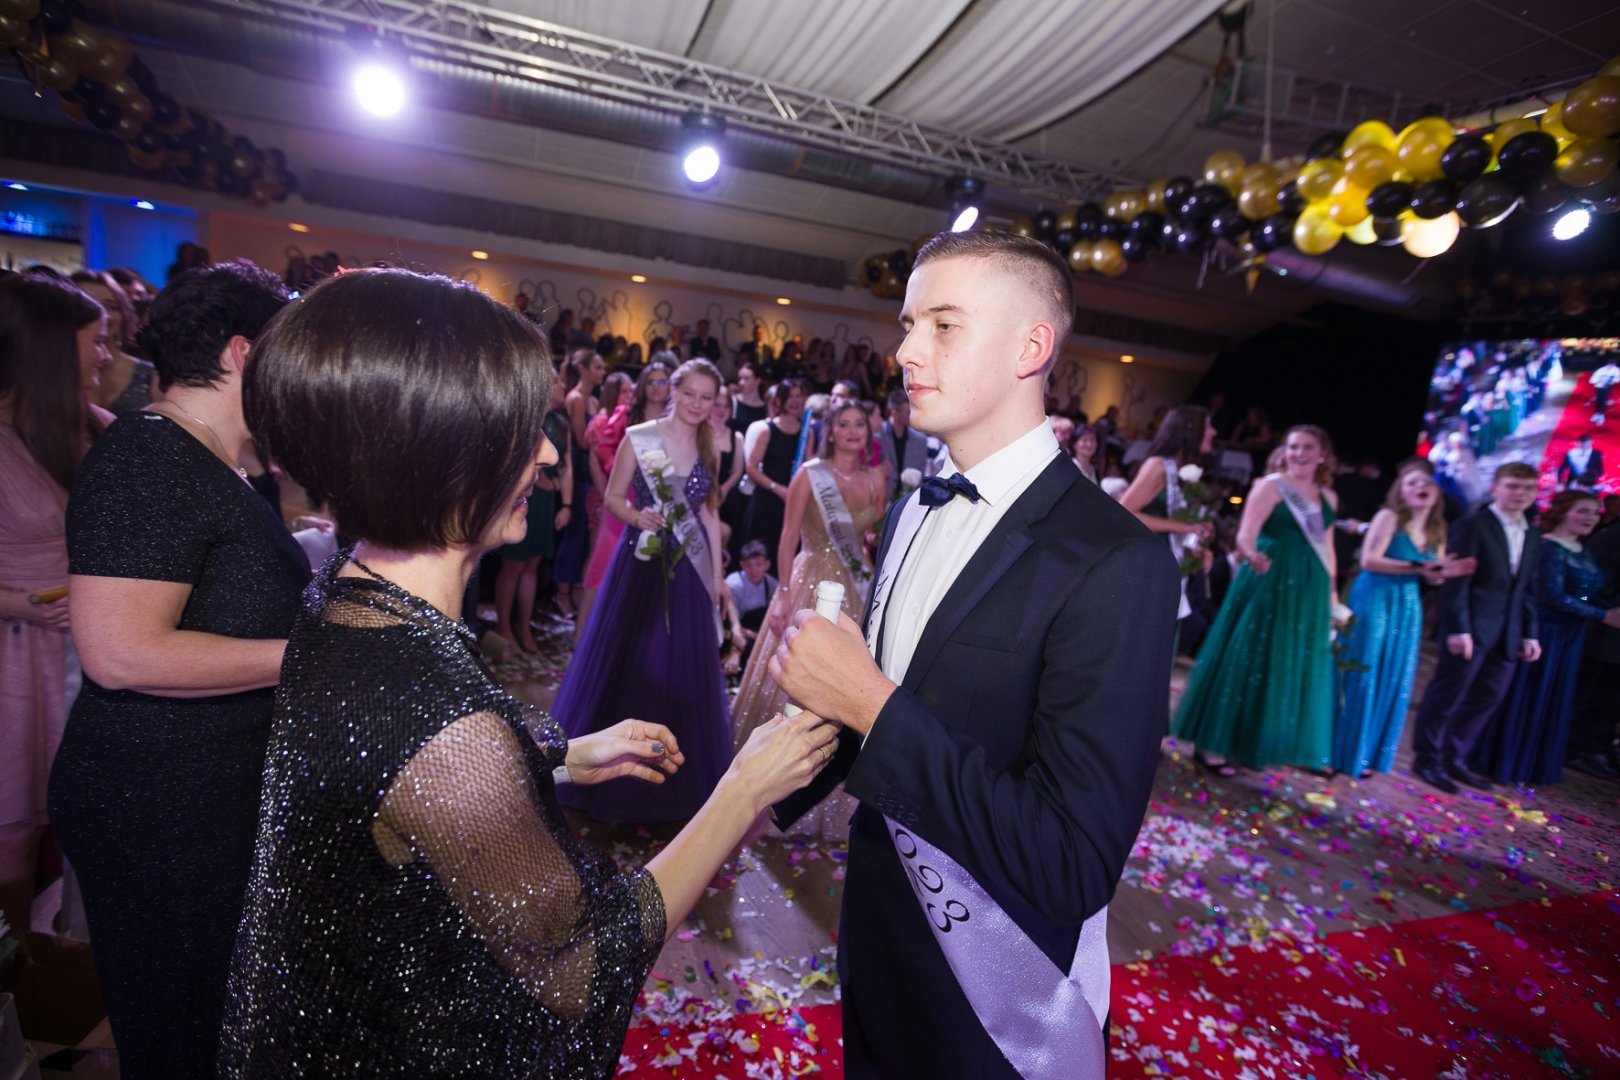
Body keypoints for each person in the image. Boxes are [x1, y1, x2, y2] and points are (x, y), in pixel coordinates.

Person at [222, 267, 837, 1076]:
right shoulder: (442, 727)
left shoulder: (349, 597)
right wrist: (743, 790)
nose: (546, 452)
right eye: (518, 432)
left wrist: (562, 752)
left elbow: (390, 769)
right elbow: (581, 967)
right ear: (436, 454)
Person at [768, 231, 1179, 1079]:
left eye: (944, 325)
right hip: (879, 923)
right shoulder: (915, 508)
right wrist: (790, 753)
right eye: (909, 324)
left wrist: (867, 700)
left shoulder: (1118, 562)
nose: (906, 351)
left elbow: (1072, 861)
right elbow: (912, 695)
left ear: (1032, 348)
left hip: (993, 987)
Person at [48, 262, 308, 1077]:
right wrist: (315, 657)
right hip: (158, 804)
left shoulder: (209, 459)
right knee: (181, 1035)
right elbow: (121, 652)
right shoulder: (150, 458)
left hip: (196, 792)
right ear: (243, 353)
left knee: (200, 1022)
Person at [553, 359, 739, 824]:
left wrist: (717, 577)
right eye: (689, 393)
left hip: (690, 568)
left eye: (707, 398)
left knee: (682, 667)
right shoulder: (640, 437)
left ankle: (675, 775)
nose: (697, 404)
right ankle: (614, 770)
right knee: (634, 661)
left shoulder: (710, 445)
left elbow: (710, 513)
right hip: (640, 565)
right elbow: (614, 498)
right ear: (672, 390)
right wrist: (638, 517)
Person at [0, 275, 111, 939]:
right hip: (15, 655)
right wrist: (17, 601)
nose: (106, 355)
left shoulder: (94, 427)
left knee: (87, 822)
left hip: (90, 648)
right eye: (95, 342)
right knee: (11, 836)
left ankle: (59, 967)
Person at [1173, 426, 1342, 774]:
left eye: (1307, 447)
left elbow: (1329, 550)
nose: (1299, 453)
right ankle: (1212, 744)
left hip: (1309, 587)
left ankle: (1253, 744)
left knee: (1285, 662)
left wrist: (1333, 596)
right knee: (1248, 655)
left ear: (1322, 454)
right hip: (1269, 575)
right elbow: (1245, 534)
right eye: (1293, 446)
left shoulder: (1329, 497)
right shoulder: (1270, 486)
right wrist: (1251, 555)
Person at [732, 399, 887, 753]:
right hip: (809, 581)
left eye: (859, 424)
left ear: (868, 432)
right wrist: (784, 593)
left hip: (856, 584)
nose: (852, 431)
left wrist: (874, 537)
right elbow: (788, 537)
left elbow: (871, 537)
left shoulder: (876, 480)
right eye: (843, 424)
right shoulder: (809, 474)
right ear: (830, 432)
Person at [1409, 462, 1542, 795]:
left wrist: (1530, 633)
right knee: (1448, 693)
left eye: (1527, 488)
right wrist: (1458, 629)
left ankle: (1454, 756)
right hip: (1471, 627)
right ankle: (1427, 758)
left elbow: (1526, 589)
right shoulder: (1472, 525)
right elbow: (1456, 583)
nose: (1519, 494)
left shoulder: (1531, 532)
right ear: (1495, 489)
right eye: (1512, 486)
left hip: (1508, 632)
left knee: (1488, 696)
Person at [1332, 465, 1474, 777]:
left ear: (1436, 493)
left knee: (1391, 673)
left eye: (1427, 483)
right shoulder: (1389, 517)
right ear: (1401, 490)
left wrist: (1442, 574)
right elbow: (1369, 560)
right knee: (1362, 668)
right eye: (1412, 482)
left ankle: (1364, 755)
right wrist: (1418, 567)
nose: (1421, 487)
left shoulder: (1437, 528)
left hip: (1407, 603)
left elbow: (1431, 576)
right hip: (1374, 597)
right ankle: (1334, 751)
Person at [1475, 491, 1620, 784]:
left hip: (1569, 636)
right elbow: (1552, 596)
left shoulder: (1580, 548)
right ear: (1563, 512)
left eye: (1594, 512)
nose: (1591, 518)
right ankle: (1503, 759)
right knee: (1530, 694)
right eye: (1582, 511)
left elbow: (1584, 594)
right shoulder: (1549, 547)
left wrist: (1606, 608)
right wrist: (1602, 615)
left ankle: (1529, 762)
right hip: (1545, 632)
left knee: (1552, 698)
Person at [491, 369, 573, 653]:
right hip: (526, 495)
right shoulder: (524, 418)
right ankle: (503, 627)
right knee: (512, 566)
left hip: (546, 501)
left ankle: (524, 627)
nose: (561, 386)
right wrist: (544, 482)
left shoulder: (558, 422)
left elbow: (567, 465)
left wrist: (566, 503)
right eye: (556, 381)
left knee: (532, 566)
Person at [1567, 512, 1620, 778]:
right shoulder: (1611, 537)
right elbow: (1588, 587)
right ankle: (1578, 749)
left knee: (1610, 698)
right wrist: (1605, 608)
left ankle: (1598, 747)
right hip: (1603, 630)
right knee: (1593, 693)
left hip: (1609, 634)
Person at [741, 379, 806, 575]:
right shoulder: (767, 430)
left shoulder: (807, 432)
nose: (795, 401)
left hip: (792, 501)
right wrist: (777, 488)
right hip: (767, 500)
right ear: (779, 399)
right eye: (790, 396)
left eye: (799, 396)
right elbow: (751, 467)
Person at [70, 270, 154, 415]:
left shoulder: (151, 376)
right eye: (91, 305)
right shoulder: (52, 376)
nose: (104, 315)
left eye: (112, 307)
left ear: (124, 313)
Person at [724, 539, 778, 668]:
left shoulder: (772, 584)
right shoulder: (734, 584)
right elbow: (731, 621)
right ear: (742, 565)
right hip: (734, 630)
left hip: (757, 631)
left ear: (767, 565)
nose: (754, 570)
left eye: (758, 564)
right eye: (749, 565)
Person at [878, 386, 932, 500]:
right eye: (908, 412)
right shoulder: (878, 436)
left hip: (909, 501)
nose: (912, 415)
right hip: (881, 500)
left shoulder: (920, 440)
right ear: (894, 413)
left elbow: (920, 476)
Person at [1589, 359, 1618, 425]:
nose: (1611, 366)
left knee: (1603, 401)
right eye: (1610, 365)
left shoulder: (1616, 370)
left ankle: (1601, 415)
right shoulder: (1601, 370)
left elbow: (1617, 378)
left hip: (1607, 387)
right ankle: (1597, 414)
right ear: (1608, 364)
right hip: (1599, 386)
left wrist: (1612, 380)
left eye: (1613, 365)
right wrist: (1597, 381)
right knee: (1599, 400)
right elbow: (1594, 378)